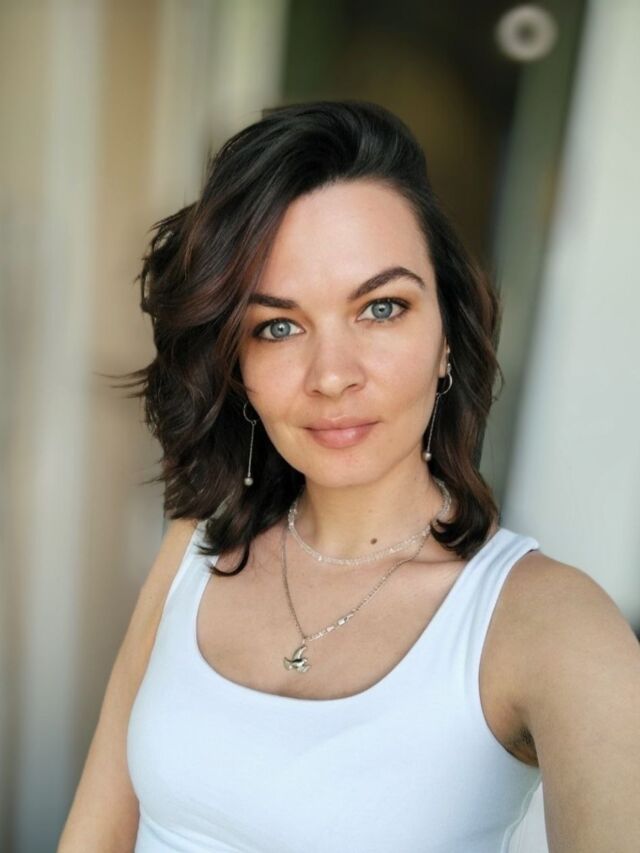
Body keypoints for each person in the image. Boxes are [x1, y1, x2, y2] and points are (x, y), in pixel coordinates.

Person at [58, 100, 640, 852]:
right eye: (278, 326)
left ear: (447, 336)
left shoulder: (550, 625)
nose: (332, 376)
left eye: (381, 308)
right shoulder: (195, 548)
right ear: (237, 365)